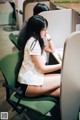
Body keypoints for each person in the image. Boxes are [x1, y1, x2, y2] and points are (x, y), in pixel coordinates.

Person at [18, 15, 62, 98]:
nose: (46, 31)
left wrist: (49, 38)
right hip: (28, 84)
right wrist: (62, 65)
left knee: (63, 91)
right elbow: (43, 69)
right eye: (44, 29)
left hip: (36, 78)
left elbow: (52, 50)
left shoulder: (37, 40)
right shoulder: (33, 43)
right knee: (64, 79)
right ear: (36, 30)